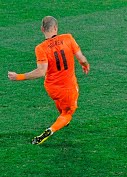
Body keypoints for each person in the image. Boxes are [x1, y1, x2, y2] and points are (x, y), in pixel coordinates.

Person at [8, 16, 90, 145]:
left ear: (42, 29)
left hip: (51, 88)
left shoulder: (40, 48)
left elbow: (41, 71)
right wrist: (84, 64)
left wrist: (18, 76)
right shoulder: (68, 38)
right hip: (67, 88)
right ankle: (50, 130)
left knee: (60, 102)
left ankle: (62, 120)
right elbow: (81, 58)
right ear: (56, 27)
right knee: (68, 113)